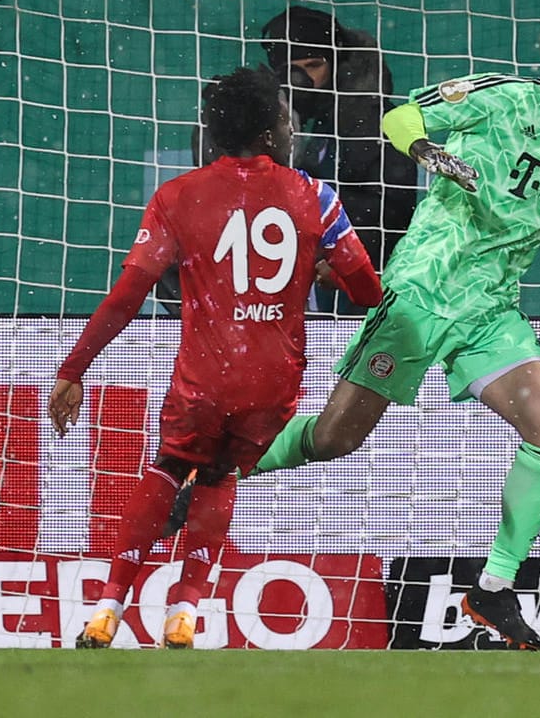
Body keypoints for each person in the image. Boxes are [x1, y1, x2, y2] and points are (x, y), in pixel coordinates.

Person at [250, 7, 540, 649]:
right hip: (423, 286)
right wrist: (426, 149)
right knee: (335, 438)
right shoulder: (501, 97)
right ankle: (221, 469)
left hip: (490, 310)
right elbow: (401, 117)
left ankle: (494, 588)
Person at [50, 66, 383, 650]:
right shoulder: (315, 197)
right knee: (222, 474)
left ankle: (107, 607)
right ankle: (186, 612)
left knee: (168, 468)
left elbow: (128, 296)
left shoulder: (177, 197)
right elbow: (367, 294)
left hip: (206, 376)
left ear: (212, 131)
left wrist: (73, 370)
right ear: (276, 131)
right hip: (274, 382)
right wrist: (323, 273)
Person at [261, 6, 419, 290]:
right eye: (292, 70)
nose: (302, 81)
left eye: (313, 66)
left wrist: (337, 258)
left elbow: (391, 214)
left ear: (336, 65)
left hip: (363, 289)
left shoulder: (374, 122)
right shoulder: (306, 124)